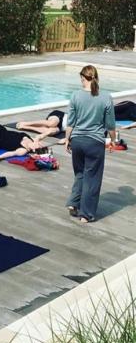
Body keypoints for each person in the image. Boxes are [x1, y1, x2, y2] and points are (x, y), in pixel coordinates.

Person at [65, 65, 116, 224]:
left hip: (78, 141)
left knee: (80, 173)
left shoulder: (75, 96)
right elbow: (110, 124)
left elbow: (70, 122)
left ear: (82, 78)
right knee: (92, 178)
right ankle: (85, 214)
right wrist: (113, 140)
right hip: (94, 143)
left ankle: (74, 203)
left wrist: (68, 139)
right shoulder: (105, 97)